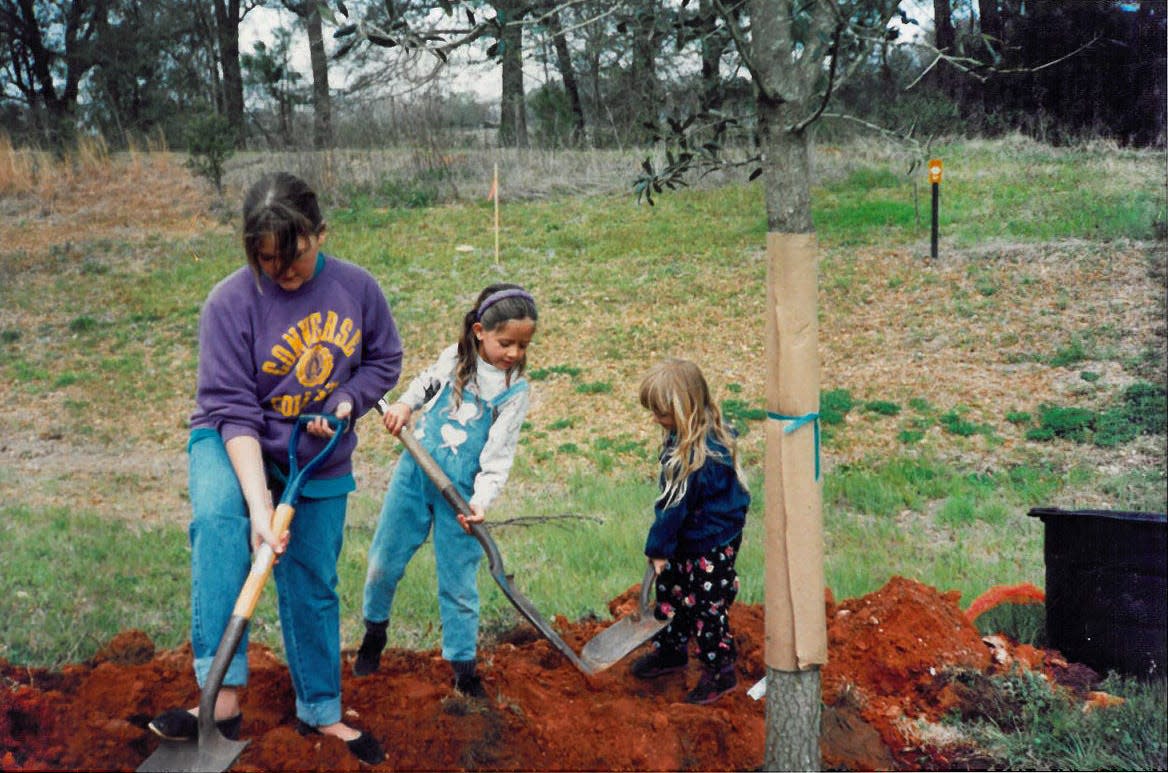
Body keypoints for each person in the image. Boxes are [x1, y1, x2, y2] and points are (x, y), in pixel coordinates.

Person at [147, 172, 402, 765]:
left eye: (295, 257)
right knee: (219, 523)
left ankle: (321, 710)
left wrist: (347, 399)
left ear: (320, 233)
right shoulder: (229, 303)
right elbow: (233, 409)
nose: (282, 273)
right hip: (231, 437)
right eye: (267, 261)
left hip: (315, 450)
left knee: (312, 575)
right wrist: (260, 508)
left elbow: (384, 359)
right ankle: (222, 697)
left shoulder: (358, 289)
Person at [354, 283, 538, 699]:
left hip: (463, 499)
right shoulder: (455, 358)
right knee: (383, 562)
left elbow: (499, 454)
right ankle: (374, 633)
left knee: (458, 583)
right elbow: (425, 385)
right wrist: (403, 406)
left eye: (523, 346)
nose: (513, 353)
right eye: (505, 342)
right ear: (479, 331)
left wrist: (481, 502)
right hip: (416, 474)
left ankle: (462, 667)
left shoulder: (514, 391)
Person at [630, 358, 751, 705]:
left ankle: (720, 669)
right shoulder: (694, 434)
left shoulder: (696, 458)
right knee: (671, 589)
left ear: (684, 411)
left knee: (706, 604)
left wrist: (657, 550)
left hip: (711, 542)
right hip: (694, 533)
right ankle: (672, 650)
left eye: (662, 414)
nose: (656, 419)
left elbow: (671, 511)